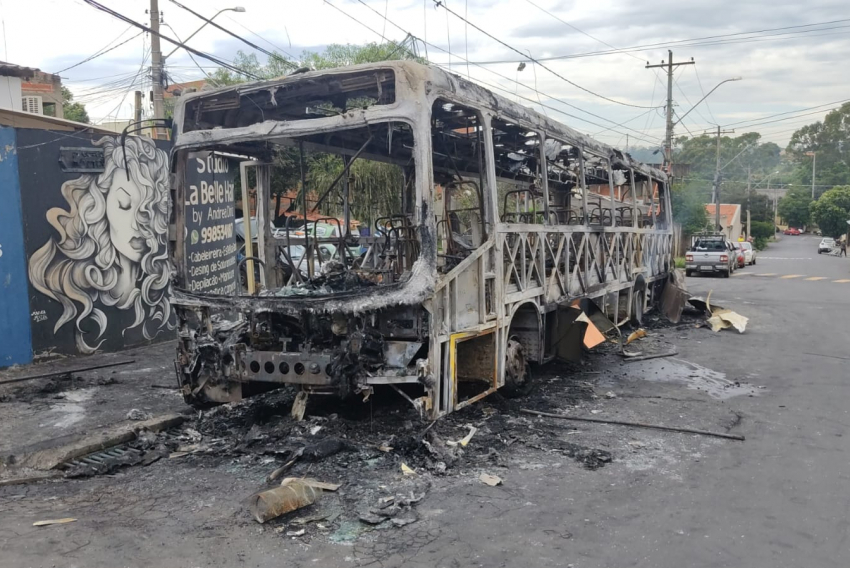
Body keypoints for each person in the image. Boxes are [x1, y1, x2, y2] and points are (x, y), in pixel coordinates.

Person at [28, 136, 174, 353]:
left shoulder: (161, 295)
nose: (137, 224)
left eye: (148, 208)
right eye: (124, 205)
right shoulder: (74, 291)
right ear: (99, 206)